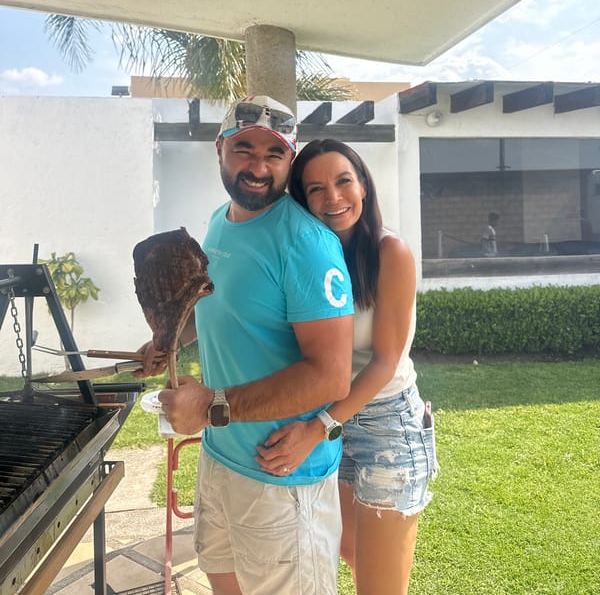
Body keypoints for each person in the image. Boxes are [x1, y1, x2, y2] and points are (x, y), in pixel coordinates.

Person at [136, 96, 354, 595]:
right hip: (221, 456)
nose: (258, 167)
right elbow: (214, 306)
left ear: (289, 161)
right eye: (244, 149)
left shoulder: (306, 243)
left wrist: (210, 406)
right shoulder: (220, 222)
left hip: (280, 476)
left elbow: (330, 375)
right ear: (220, 150)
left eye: (274, 155)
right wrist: (166, 341)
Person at [256, 138, 439, 595]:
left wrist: (318, 427)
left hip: (384, 425)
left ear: (363, 187)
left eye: (343, 182)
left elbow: (384, 362)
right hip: (332, 416)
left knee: (379, 586)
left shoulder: (389, 252)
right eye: (315, 189)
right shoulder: (305, 256)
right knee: (351, 555)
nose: (332, 198)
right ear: (302, 201)